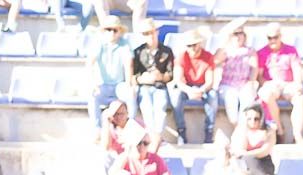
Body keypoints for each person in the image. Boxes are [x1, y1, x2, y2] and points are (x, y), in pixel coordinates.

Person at [256, 22, 303, 145]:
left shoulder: (291, 50)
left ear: (280, 36)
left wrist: (298, 83)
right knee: (266, 94)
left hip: (288, 84)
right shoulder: (262, 52)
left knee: (300, 97)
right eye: (269, 38)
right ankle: (279, 129)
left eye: (275, 37)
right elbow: (259, 76)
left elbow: (297, 69)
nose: (272, 40)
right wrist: (266, 83)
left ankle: (297, 135)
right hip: (271, 85)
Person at [170, 28, 217, 145]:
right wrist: (190, 90)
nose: (192, 48)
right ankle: (181, 130)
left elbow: (210, 81)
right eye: (189, 45)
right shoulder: (181, 57)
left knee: (213, 97)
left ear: (199, 43)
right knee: (176, 98)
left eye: (194, 45)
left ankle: (209, 131)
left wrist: (201, 90)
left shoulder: (208, 56)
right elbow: (178, 80)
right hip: (187, 87)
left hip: (203, 86)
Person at [132, 17, 173, 149]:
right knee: (147, 109)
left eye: (151, 32)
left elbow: (170, 75)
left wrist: (160, 76)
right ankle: (155, 137)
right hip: (144, 86)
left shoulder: (167, 51)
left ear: (157, 32)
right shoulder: (138, 52)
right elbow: (133, 75)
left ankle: (156, 137)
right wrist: (142, 79)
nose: (150, 36)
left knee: (160, 109)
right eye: (146, 33)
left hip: (160, 86)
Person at [87, 15, 130, 131]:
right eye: (108, 29)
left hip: (119, 85)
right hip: (103, 85)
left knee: (130, 94)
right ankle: (97, 129)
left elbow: (128, 65)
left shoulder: (124, 44)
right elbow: (89, 63)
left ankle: (129, 129)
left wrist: (129, 84)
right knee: (92, 96)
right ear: (104, 31)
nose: (112, 32)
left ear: (119, 31)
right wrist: (93, 83)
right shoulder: (98, 43)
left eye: (115, 30)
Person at [213, 18, 256, 131]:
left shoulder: (250, 51)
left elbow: (254, 69)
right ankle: (239, 130)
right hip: (227, 84)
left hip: (244, 83)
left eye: (240, 33)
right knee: (231, 99)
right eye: (235, 34)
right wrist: (224, 43)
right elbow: (214, 62)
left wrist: (251, 83)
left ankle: (241, 133)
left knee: (247, 100)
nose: (238, 36)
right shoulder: (225, 50)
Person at [230, 104, 280, 175]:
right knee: (249, 165)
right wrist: (245, 132)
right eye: (249, 118)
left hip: (264, 163)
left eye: (256, 119)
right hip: (244, 165)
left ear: (261, 118)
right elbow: (239, 150)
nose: (252, 121)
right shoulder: (241, 130)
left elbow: (265, 151)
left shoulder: (269, 131)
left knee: (250, 161)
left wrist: (248, 154)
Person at [98, 99, 145, 173]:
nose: (119, 117)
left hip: (134, 158)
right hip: (117, 160)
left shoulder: (136, 124)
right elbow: (106, 147)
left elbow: (142, 146)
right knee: (105, 157)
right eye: (116, 114)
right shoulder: (109, 127)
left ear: (127, 113)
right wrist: (106, 123)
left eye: (122, 114)